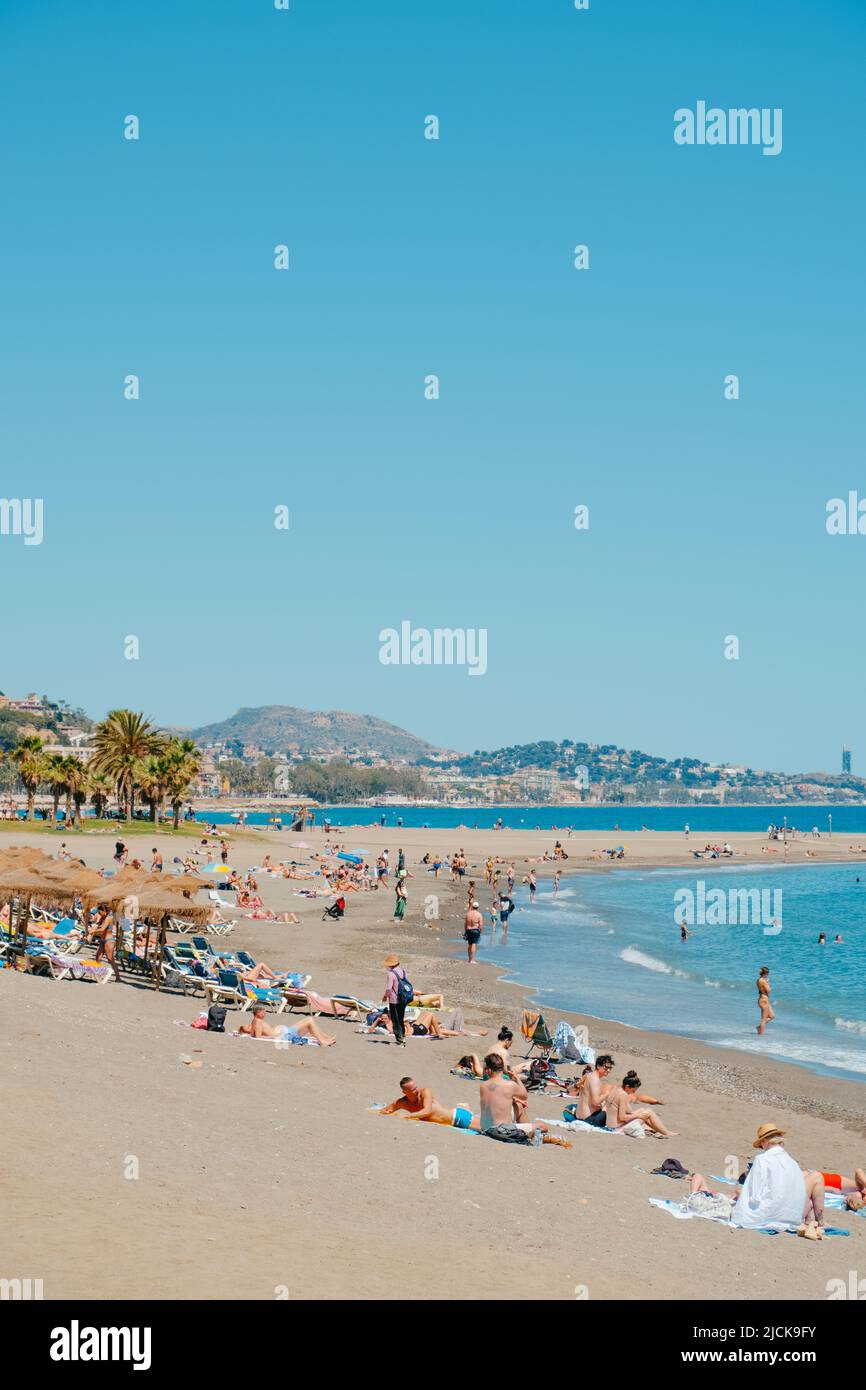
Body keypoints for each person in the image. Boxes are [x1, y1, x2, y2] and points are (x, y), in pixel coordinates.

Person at [689, 1124, 824, 1233]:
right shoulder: (793, 1163)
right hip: (792, 1218)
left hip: (767, 1215)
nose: (762, 1148)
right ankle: (820, 1223)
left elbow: (754, 1193)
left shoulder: (762, 1159)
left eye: (761, 1145)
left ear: (765, 1142)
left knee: (741, 1206)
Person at [479, 1054, 570, 1147]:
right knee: (543, 1127)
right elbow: (524, 1095)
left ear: (488, 1070)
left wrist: (514, 1100)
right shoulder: (510, 1085)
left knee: (518, 1105)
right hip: (501, 1130)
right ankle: (531, 1133)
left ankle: (528, 1129)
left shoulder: (483, 1085)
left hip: (485, 1128)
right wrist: (516, 1078)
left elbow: (498, 1098)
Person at [379, 1077, 480, 1130]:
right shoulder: (402, 1102)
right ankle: (466, 1108)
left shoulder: (425, 1092)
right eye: (413, 1090)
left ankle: (466, 1109)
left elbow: (427, 1111)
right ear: (405, 1092)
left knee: (487, 1129)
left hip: (457, 1118)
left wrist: (408, 1116)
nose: (416, 1090)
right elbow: (387, 1110)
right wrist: (385, 1111)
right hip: (452, 1119)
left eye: (416, 1087)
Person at [602, 1070, 677, 1136]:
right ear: (627, 1086)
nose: (633, 1093)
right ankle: (666, 1133)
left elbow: (624, 1110)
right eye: (633, 1090)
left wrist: (637, 1114)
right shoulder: (623, 1095)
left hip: (610, 1125)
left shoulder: (616, 1088)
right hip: (616, 1128)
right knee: (648, 1113)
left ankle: (662, 1131)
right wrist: (639, 1115)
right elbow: (622, 1117)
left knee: (643, 1110)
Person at [238, 1006, 335, 1046]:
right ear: (258, 1013)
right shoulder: (257, 1021)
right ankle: (323, 1041)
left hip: (286, 1032)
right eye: (263, 1011)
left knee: (309, 1022)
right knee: (309, 1020)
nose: (265, 1013)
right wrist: (275, 1036)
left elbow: (253, 1034)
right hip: (285, 1034)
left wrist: (245, 1031)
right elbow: (258, 1037)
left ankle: (326, 1038)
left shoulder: (255, 1022)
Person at [573, 1053, 615, 1126]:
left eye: (610, 1068)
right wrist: (607, 1094)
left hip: (580, 1116)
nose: (608, 1070)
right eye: (606, 1067)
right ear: (598, 1066)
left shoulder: (589, 1075)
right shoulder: (594, 1079)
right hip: (588, 1120)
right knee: (610, 1106)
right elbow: (595, 1102)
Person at [383, 953, 409, 1047]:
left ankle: (400, 1040)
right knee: (401, 1019)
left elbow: (389, 988)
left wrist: (385, 996)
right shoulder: (403, 971)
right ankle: (403, 1037)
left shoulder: (391, 974)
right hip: (403, 998)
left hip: (394, 999)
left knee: (395, 1020)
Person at [756, 965, 774, 1035]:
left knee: (772, 1016)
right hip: (764, 1000)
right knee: (764, 1019)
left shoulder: (758, 980)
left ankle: (759, 1027)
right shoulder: (763, 981)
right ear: (765, 973)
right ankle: (761, 1036)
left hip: (762, 999)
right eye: (767, 974)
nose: (768, 975)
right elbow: (769, 990)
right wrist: (767, 982)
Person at [463, 899, 482, 964]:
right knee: (473, 944)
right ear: (478, 907)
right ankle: (472, 960)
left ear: (472, 907)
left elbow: (465, 923)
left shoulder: (468, 914)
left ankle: (469, 959)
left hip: (468, 930)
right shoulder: (479, 914)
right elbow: (481, 925)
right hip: (475, 930)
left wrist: (465, 931)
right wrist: (480, 932)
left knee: (469, 944)